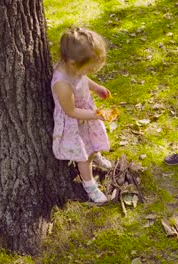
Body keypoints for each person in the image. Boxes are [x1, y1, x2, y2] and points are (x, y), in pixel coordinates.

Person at [51, 27, 113, 203]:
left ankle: (96, 155)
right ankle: (90, 185)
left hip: (86, 116)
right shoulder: (62, 83)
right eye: (89, 69)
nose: (89, 72)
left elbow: (83, 77)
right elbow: (70, 111)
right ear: (72, 62)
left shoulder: (75, 68)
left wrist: (97, 88)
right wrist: (97, 114)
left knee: (92, 140)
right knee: (83, 156)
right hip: (75, 122)